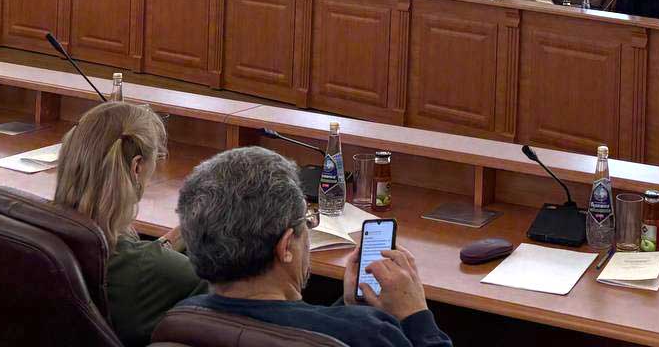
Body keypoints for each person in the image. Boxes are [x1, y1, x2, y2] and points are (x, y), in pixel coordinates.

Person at [177, 146, 452, 347]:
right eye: (307, 222)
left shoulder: (182, 317)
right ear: (286, 246)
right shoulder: (367, 335)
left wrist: (350, 306)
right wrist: (416, 315)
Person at [53, 101, 206, 347]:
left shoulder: (41, 231)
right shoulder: (169, 273)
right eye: (156, 159)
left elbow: (136, 259)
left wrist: (175, 237)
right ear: (136, 167)